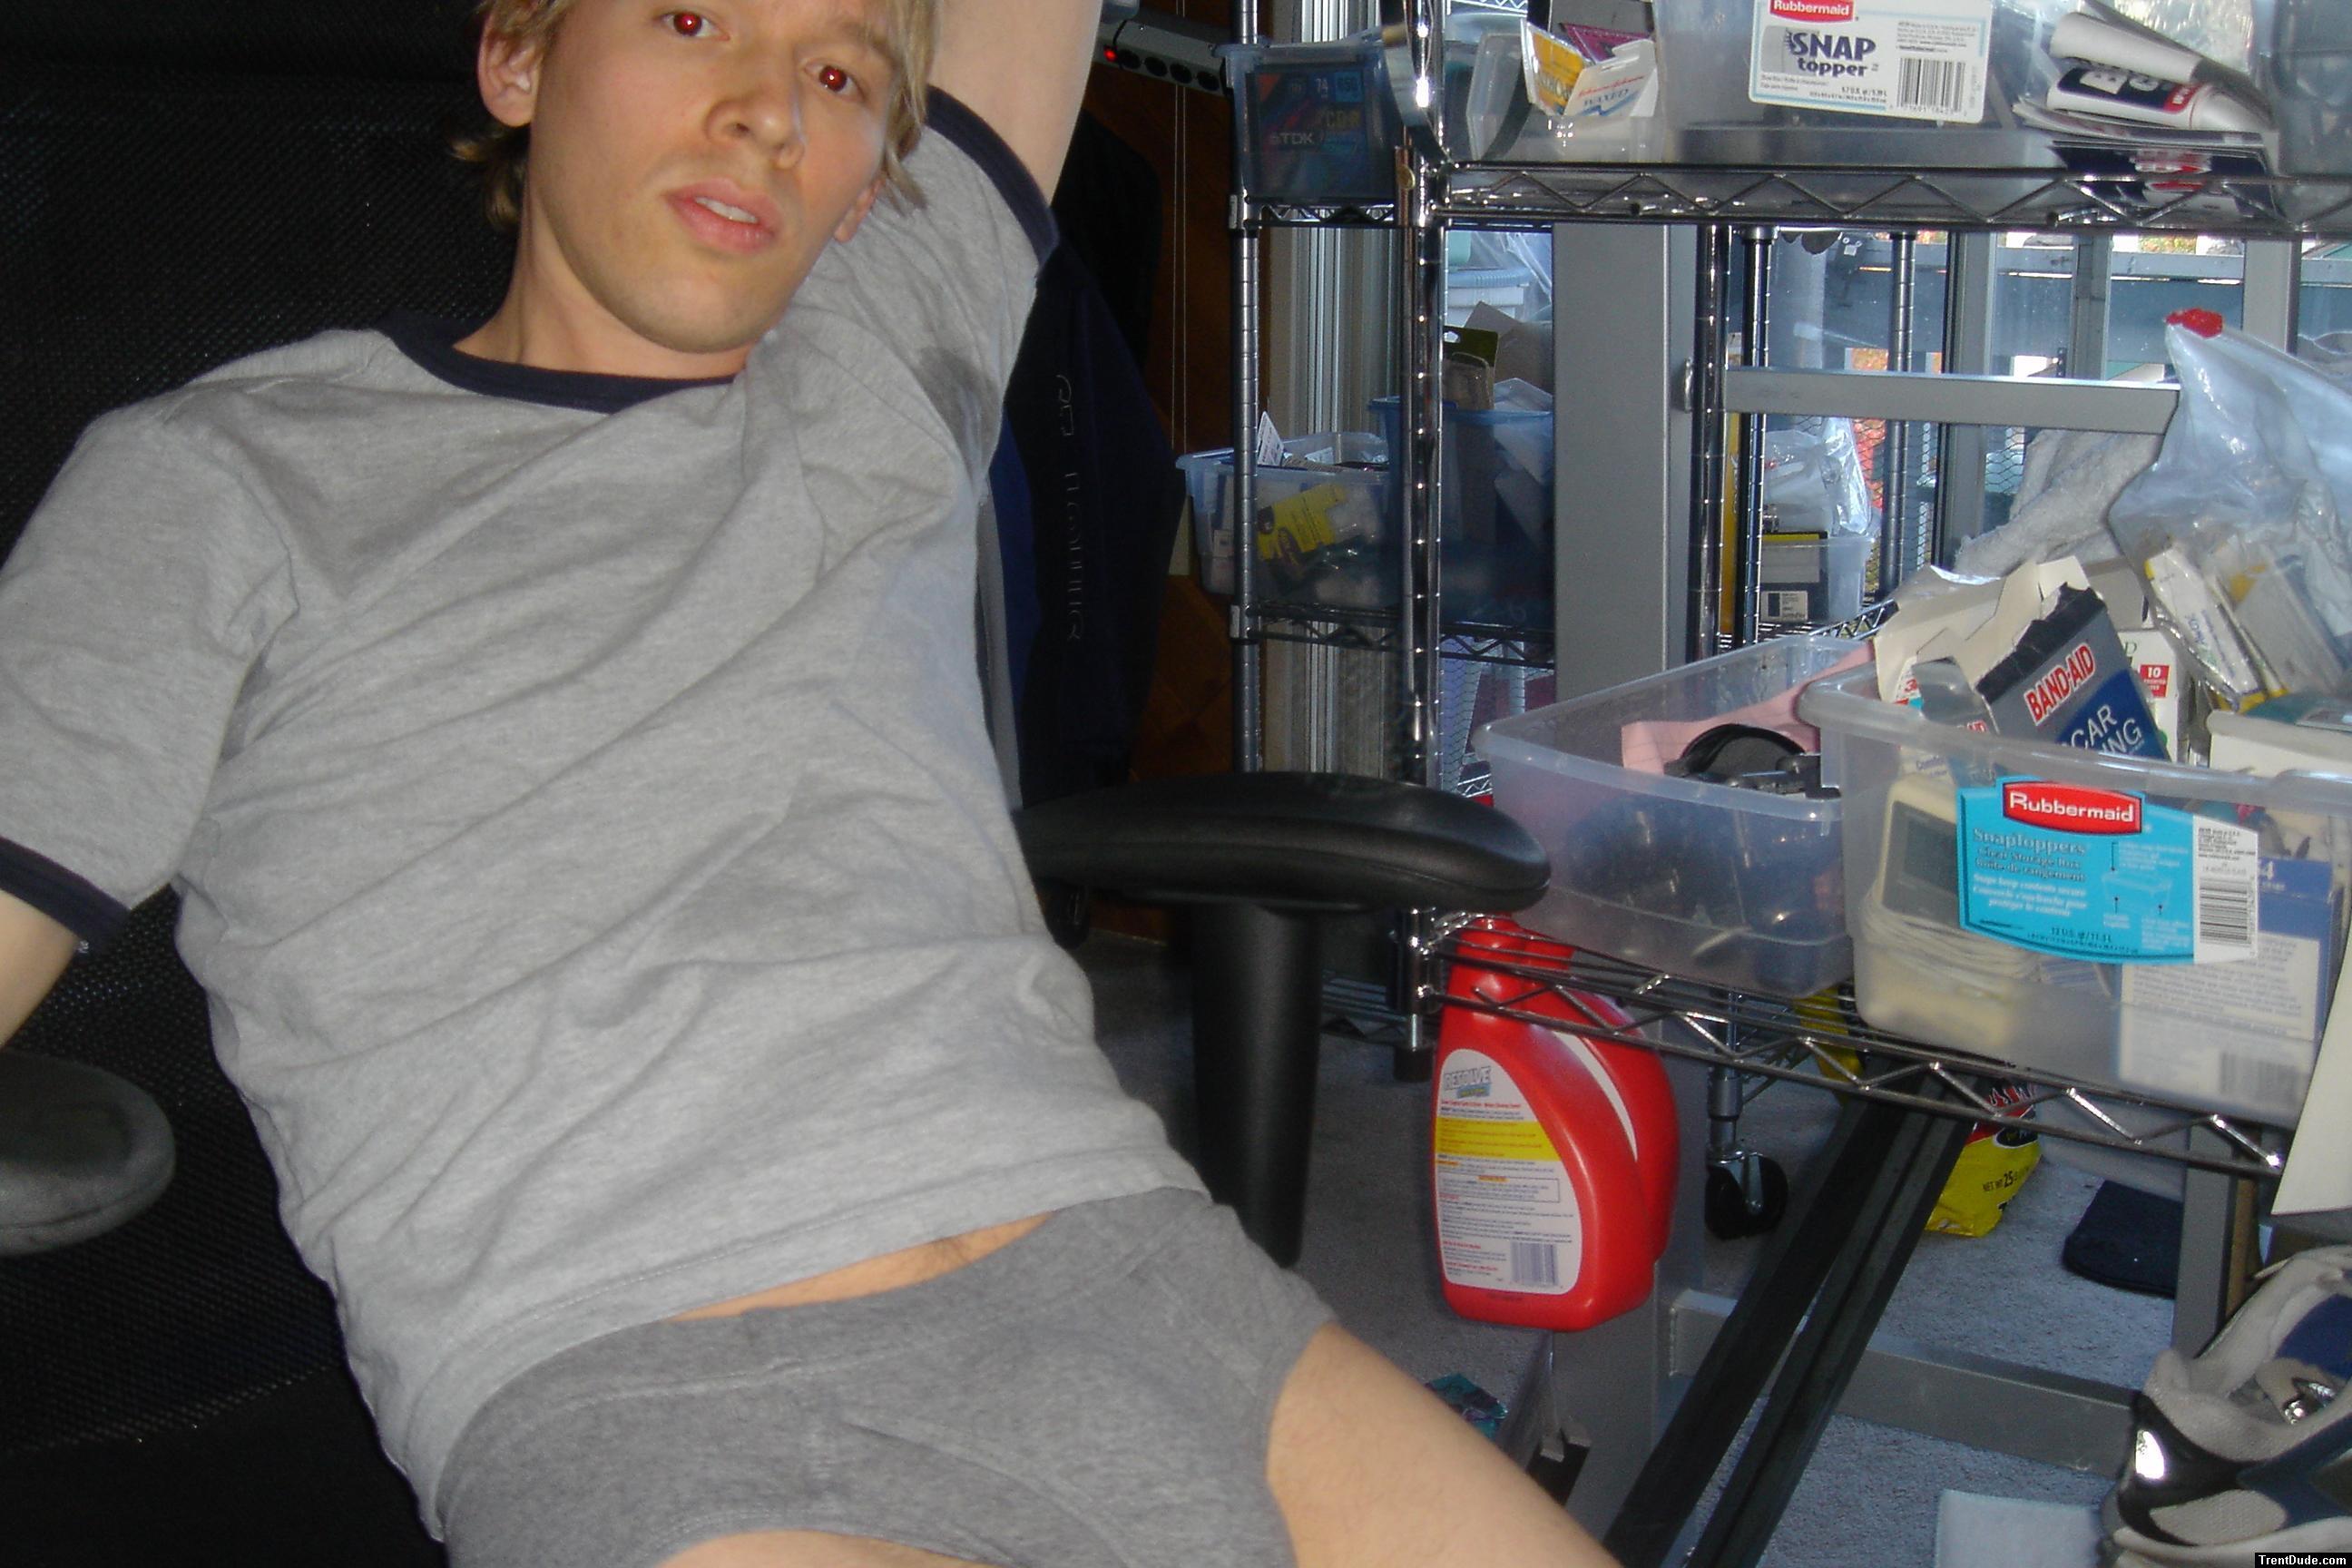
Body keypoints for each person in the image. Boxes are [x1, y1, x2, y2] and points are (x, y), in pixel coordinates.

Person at [0, 4, 1622, 1566]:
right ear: (517, 55)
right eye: (690, 23)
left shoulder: (879, 353)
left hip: (1141, 1282)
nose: (769, 112)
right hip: (653, 1386)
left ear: (867, 189)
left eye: (839, 74)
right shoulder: (226, 480)